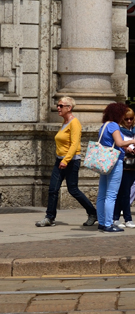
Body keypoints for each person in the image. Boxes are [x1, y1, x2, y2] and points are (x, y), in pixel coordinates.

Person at [37, 96, 96, 228]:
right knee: (53, 189)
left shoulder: (75, 123)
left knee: (73, 190)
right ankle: (49, 217)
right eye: (58, 105)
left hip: (70, 161)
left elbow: (75, 144)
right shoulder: (64, 122)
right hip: (60, 160)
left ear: (69, 108)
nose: (58, 108)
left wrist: (66, 160)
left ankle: (93, 213)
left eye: (61, 106)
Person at [95, 103, 135, 233]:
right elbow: (119, 143)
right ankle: (109, 223)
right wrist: (132, 141)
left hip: (104, 161)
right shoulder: (114, 125)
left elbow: (110, 143)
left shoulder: (104, 126)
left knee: (102, 194)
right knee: (111, 194)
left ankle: (102, 222)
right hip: (115, 161)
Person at [113, 108, 135, 228]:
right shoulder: (119, 131)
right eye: (127, 119)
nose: (129, 121)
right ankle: (125, 218)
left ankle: (117, 217)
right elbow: (118, 144)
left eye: (131, 119)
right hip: (123, 164)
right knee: (124, 192)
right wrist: (127, 148)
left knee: (124, 192)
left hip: (134, 164)